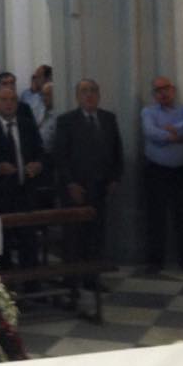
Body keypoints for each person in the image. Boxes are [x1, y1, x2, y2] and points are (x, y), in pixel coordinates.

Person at [54, 79, 124, 275]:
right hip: (76, 187)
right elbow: (60, 155)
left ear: (99, 95)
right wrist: (70, 183)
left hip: (101, 186)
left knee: (97, 233)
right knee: (74, 235)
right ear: (77, 96)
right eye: (84, 91)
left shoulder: (108, 118)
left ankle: (93, 276)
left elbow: (117, 150)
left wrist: (114, 178)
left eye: (93, 90)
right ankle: (73, 279)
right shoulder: (66, 121)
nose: (89, 95)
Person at [0, 85, 45, 267]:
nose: (9, 104)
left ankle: (33, 285)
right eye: (4, 100)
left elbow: (40, 151)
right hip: (0, 196)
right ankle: (7, 287)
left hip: (26, 192)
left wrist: (38, 164)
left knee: (29, 243)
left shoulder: (27, 124)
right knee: (4, 245)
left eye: (12, 100)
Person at [141, 76, 183, 273]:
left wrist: (174, 132)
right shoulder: (148, 111)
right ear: (154, 94)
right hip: (157, 171)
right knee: (156, 217)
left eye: (166, 88)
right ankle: (155, 261)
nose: (163, 93)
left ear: (173, 90)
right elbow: (151, 133)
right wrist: (177, 136)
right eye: (158, 90)